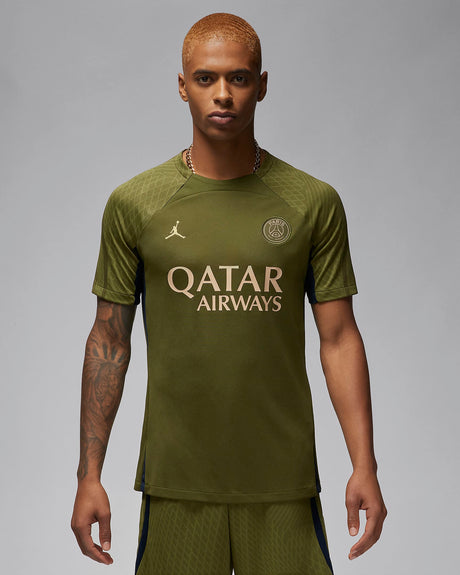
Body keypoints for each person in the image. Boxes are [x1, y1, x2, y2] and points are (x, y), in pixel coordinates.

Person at [71, 12, 387, 574]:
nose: (223, 94)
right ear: (182, 85)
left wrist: (365, 465)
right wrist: (88, 476)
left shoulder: (312, 202)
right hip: (176, 483)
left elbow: (339, 338)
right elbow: (109, 342)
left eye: (238, 78)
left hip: (283, 481)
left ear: (261, 85)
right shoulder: (135, 204)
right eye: (206, 78)